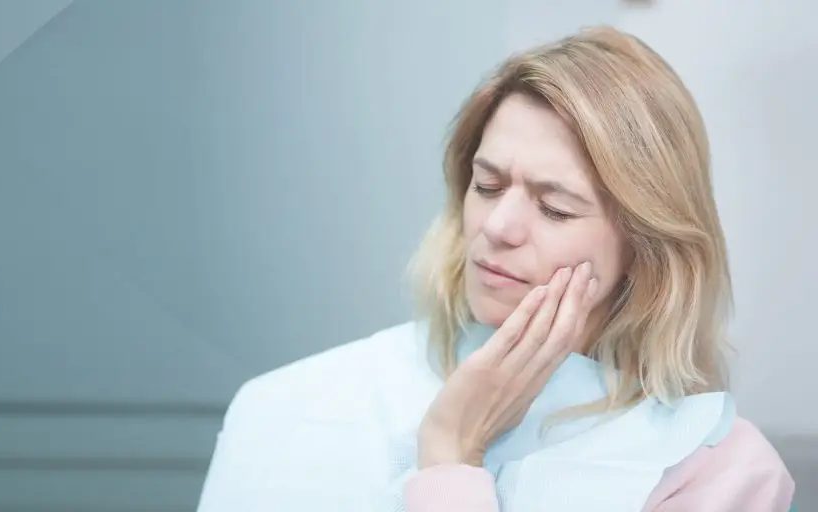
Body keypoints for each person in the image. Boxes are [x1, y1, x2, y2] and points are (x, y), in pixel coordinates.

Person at [195, 25, 795, 511]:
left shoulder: (718, 470)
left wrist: (451, 460)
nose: (498, 226)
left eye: (555, 208)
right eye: (487, 185)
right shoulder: (289, 405)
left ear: (646, 246)